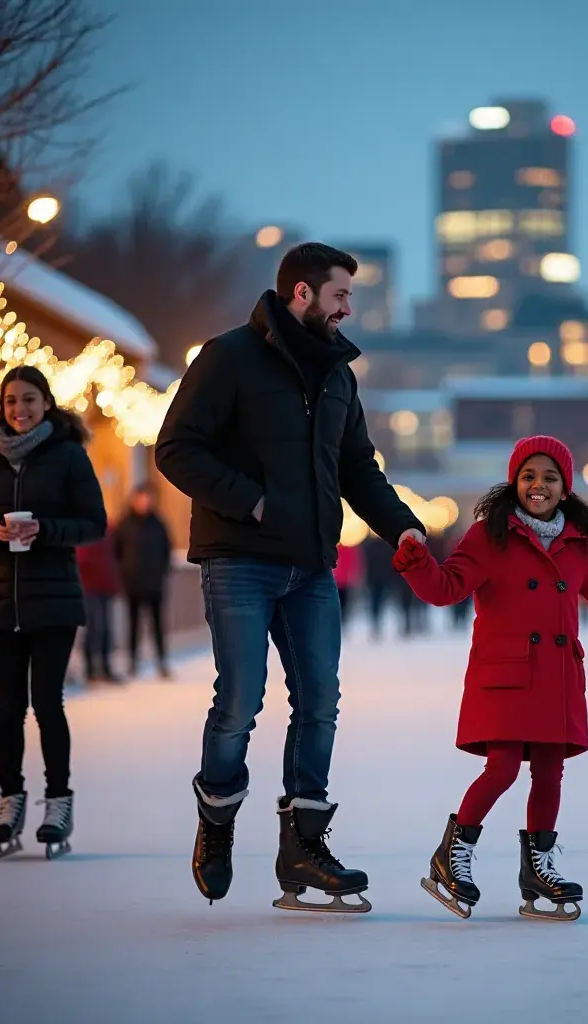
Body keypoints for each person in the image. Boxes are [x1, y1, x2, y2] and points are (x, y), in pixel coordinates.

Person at [155, 242, 425, 911]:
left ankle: (303, 848)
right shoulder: (228, 358)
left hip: (310, 566)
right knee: (241, 700)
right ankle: (216, 819)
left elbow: (359, 466)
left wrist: (404, 526)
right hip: (240, 559)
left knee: (320, 702)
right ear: (300, 294)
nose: (347, 310)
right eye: (339, 296)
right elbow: (175, 449)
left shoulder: (338, 374)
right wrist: (248, 499)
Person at [392, 436, 588, 921]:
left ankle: (537, 868)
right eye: (529, 476)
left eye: (550, 478)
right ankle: (453, 854)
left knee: (550, 772)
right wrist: (416, 562)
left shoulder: (578, 545)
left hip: (556, 676)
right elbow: (445, 588)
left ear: (565, 488)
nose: (538, 486)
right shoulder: (489, 536)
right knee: (503, 767)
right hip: (505, 674)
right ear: (515, 482)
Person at [0, 366, 106, 859]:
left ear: (46, 403)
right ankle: (10, 801)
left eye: (29, 400)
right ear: (1, 406)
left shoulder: (68, 456)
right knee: (8, 707)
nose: (19, 409)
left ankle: (58, 801)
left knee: (46, 703)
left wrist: (46, 530)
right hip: (0, 599)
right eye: (11, 401)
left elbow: (93, 523)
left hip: (54, 599)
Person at [114, 484, 172, 678]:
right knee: (133, 625)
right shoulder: (125, 523)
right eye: (141, 497)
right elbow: (116, 551)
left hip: (155, 583)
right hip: (132, 584)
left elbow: (167, 550)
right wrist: (123, 573)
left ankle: (162, 662)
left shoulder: (159, 524)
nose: (145, 501)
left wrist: (162, 572)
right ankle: (132, 662)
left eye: (148, 497)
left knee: (157, 626)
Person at [76, 520, 122, 682]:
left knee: (106, 628)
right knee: (93, 628)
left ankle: (105, 667)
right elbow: (79, 559)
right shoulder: (82, 527)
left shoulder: (110, 529)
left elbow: (118, 554)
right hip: (89, 586)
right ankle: (90, 669)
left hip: (106, 584)